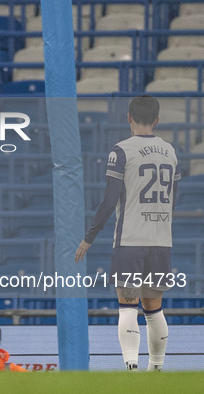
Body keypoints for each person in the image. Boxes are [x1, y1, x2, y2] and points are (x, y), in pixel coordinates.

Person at [75, 95, 181, 371]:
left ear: (128, 117)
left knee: (128, 306)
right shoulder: (170, 152)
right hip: (161, 240)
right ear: (157, 120)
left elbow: (110, 200)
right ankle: (156, 369)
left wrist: (90, 236)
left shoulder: (120, 151)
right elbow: (173, 198)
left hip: (130, 240)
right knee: (154, 308)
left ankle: (131, 368)